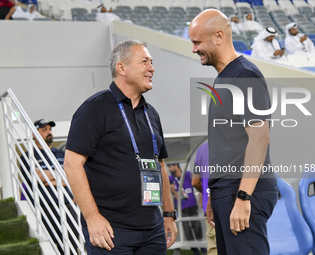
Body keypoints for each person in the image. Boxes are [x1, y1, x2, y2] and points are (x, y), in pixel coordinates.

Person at [64, 39, 177, 255]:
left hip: (152, 229)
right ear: (121, 68)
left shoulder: (151, 113)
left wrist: (169, 214)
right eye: (144, 62)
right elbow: (72, 165)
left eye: (152, 62)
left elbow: (160, 165)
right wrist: (92, 217)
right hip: (111, 230)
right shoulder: (93, 109)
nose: (152, 68)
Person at [188, 9, 278, 255]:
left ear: (218, 36)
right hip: (226, 192)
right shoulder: (225, 78)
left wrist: (243, 197)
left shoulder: (244, 75)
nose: (194, 49)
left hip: (244, 191)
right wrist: (214, 196)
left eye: (197, 42)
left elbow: (260, 138)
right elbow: (228, 145)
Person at [20, 119, 77, 255]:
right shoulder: (28, 156)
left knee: (73, 245)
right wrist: (60, 176)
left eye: (49, 129)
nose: (49, 132)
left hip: (68, 205)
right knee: (49, 246)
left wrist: (47, 179)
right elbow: (35, 177)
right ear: (34, 134)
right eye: (44, 130)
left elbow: (71, 177)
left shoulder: (62, 154)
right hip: (45, 208)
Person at [168, 163, 207, 255]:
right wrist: (174, 192)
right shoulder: (171, 179)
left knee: (197, 226)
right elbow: (171, 189)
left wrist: (201, 198)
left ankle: (203, 248)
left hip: (192, 205)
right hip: (180, 208)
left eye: (170, 166)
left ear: (176, 166)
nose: (169, 169)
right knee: (186, 230)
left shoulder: (188, 174)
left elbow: (197, 184)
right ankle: (195, 250)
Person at [192, 142, 217, 255]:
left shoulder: (201, 149)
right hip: (229, 205)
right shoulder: (230, 143)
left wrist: (206, 194)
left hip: (209, 212)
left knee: (214, 248)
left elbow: (195, 181)